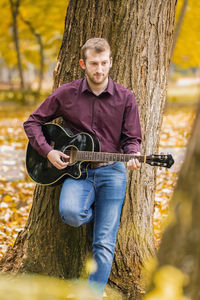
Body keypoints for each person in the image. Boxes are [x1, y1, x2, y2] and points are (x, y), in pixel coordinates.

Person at [23, 38, 142, 299]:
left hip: (112, 173)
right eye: (93, 64)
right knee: (71, 213)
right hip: (77, 172)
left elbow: (132, 139)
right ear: (82, 64)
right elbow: (32, 122)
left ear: (111, 62)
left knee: (104, 242)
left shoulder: (126, 97)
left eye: (103, 63)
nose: (99, 69)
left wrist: (133, 155)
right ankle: (95, 217)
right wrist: (49, 151)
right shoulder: (66, 93)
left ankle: (93, 293)